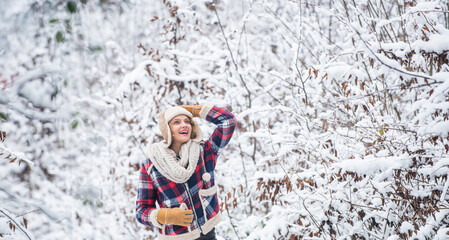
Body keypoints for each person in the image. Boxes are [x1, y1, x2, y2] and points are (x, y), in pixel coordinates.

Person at [136, 104, 237, 240]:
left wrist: (195, 110)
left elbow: (228, 122)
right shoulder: (151, 166)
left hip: (207, 234)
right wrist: (166, 215)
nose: (184, 125)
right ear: (167, 129)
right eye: (176, 122)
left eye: (187, 121)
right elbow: (141, 211)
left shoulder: (205, 152)